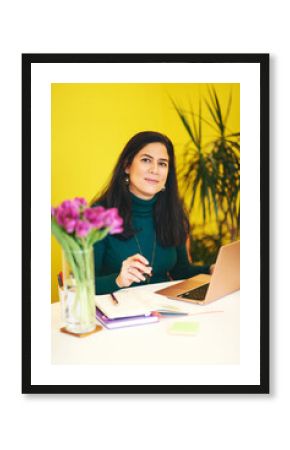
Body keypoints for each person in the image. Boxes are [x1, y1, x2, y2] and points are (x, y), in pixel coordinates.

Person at [92, 131, 210, 295]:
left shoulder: (173, 212)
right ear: (127, 165)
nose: (155, 170)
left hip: (164, 310)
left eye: (162, 163)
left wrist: (212, 269)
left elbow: (181, 272)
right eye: (146, 160)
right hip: (117, 313)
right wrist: (118, 280)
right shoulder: (98, 216)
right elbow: (81, 285)